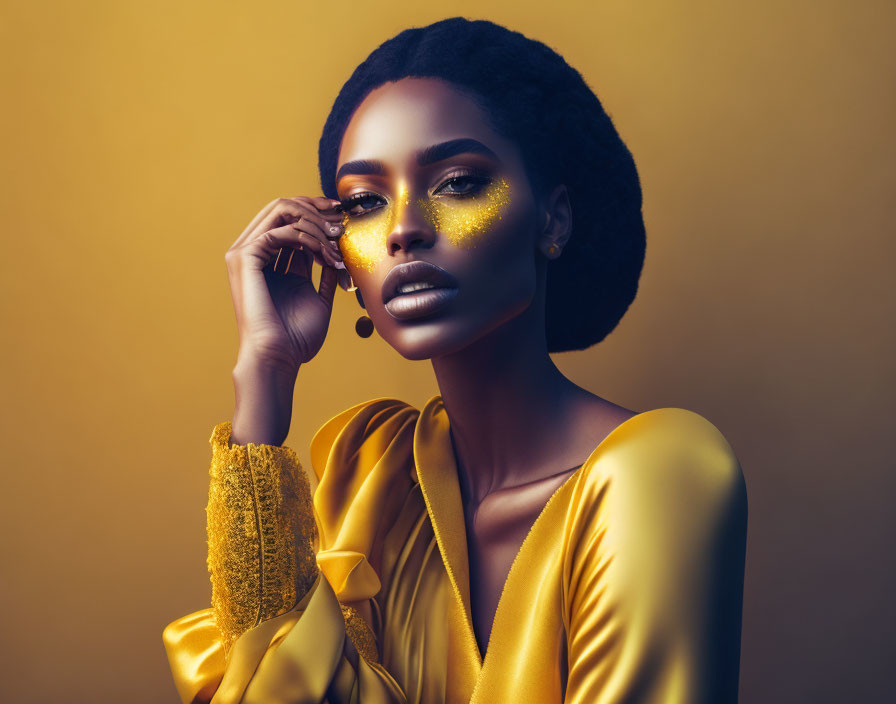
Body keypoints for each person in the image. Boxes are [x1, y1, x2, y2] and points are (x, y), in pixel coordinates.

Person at [162, 17, 748, 704]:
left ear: (552, 220)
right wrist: (264, 378)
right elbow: (265, 687)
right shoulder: (371, 478)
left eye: (458, 183)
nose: (405, 228)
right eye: (364, 202)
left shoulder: (662, 472)